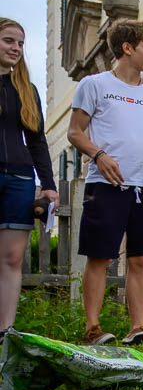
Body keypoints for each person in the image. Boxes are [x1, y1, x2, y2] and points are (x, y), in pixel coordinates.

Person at [67, 20, 143, 346]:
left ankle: (138, 327)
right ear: (127, 47)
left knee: (141, 258)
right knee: (100, 256)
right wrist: (99, 155)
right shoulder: (94, 84)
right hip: (108, 184)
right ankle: (92, 329)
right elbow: (75, 132)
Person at [0, 20, 57, 335]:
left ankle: (5, 332)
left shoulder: (27, 89)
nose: (15, 48)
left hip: (20, 179)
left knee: (11, 258)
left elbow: (37, 141)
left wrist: (48, 185)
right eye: (9, 41)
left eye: (20, 44)